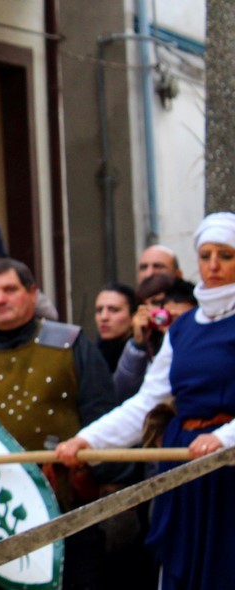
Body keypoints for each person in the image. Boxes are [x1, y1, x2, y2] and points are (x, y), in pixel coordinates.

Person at [56, 212, 235, 590]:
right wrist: (88, 439)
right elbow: (148, 401)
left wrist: (223, 439)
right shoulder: (183, 328)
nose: (213, 266)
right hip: (184, 461)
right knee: (182, 562)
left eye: (225, 255)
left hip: (227, 462)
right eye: (205, 256)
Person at [0, 258, 118, 588]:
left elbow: (102, 416)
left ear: (32, 292)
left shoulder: (72, 344)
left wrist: (100, 478)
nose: (1, 299)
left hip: (71, 506)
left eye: (10, 289)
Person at [114, 277, 197, 401]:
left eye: (184, 320)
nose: (176, 328)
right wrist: (138, 345)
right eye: (171, 319)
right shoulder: (152, 346)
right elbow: (122, 393)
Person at [94, 283, 137, 373]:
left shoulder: (144, 355)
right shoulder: (89, 356)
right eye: (99, 310)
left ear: (133, 316)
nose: (104, 317)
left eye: (114, 310)